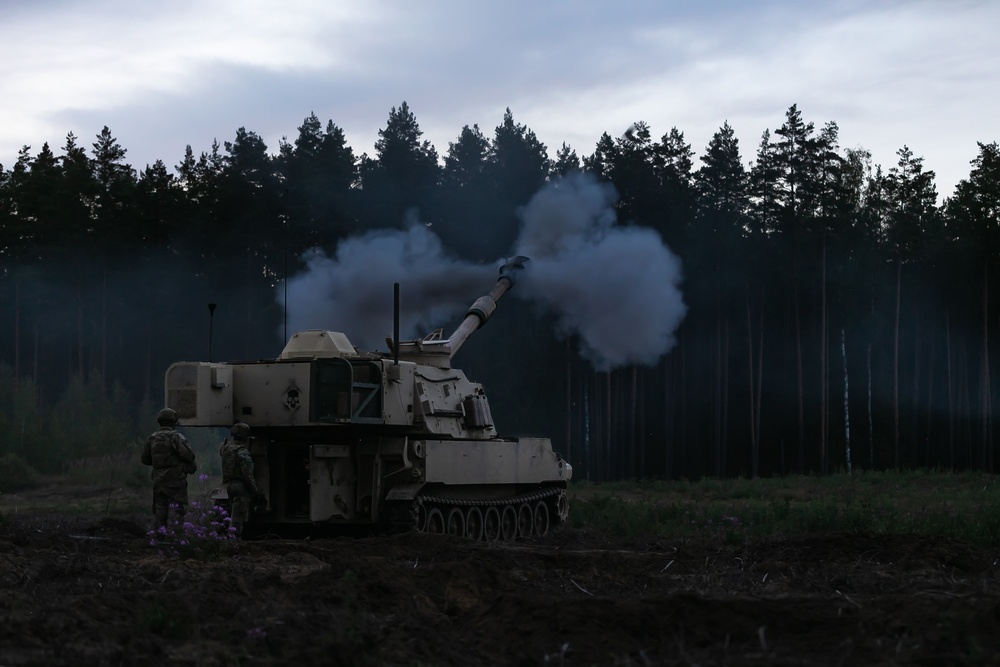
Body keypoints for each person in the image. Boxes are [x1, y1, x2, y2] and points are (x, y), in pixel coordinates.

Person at [141, 407, 197, 529]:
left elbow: (145, 459)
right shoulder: (176, 437)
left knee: (160, 510)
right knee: (177, 510)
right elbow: (188, 455)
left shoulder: (152, 438)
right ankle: (175, 538)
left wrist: (159, 464)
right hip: (175, 480)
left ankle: (158, 537)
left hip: (158, 481)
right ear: (173, 422)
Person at [219, 422, 261, 537]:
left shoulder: (225, 448)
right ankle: (234, 539)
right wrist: (255, 491)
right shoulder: (243, 452)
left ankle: (221, 538)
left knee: (223, 514)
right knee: (238, 516)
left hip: (225, 484)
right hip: (239, 486)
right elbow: (248, 475)